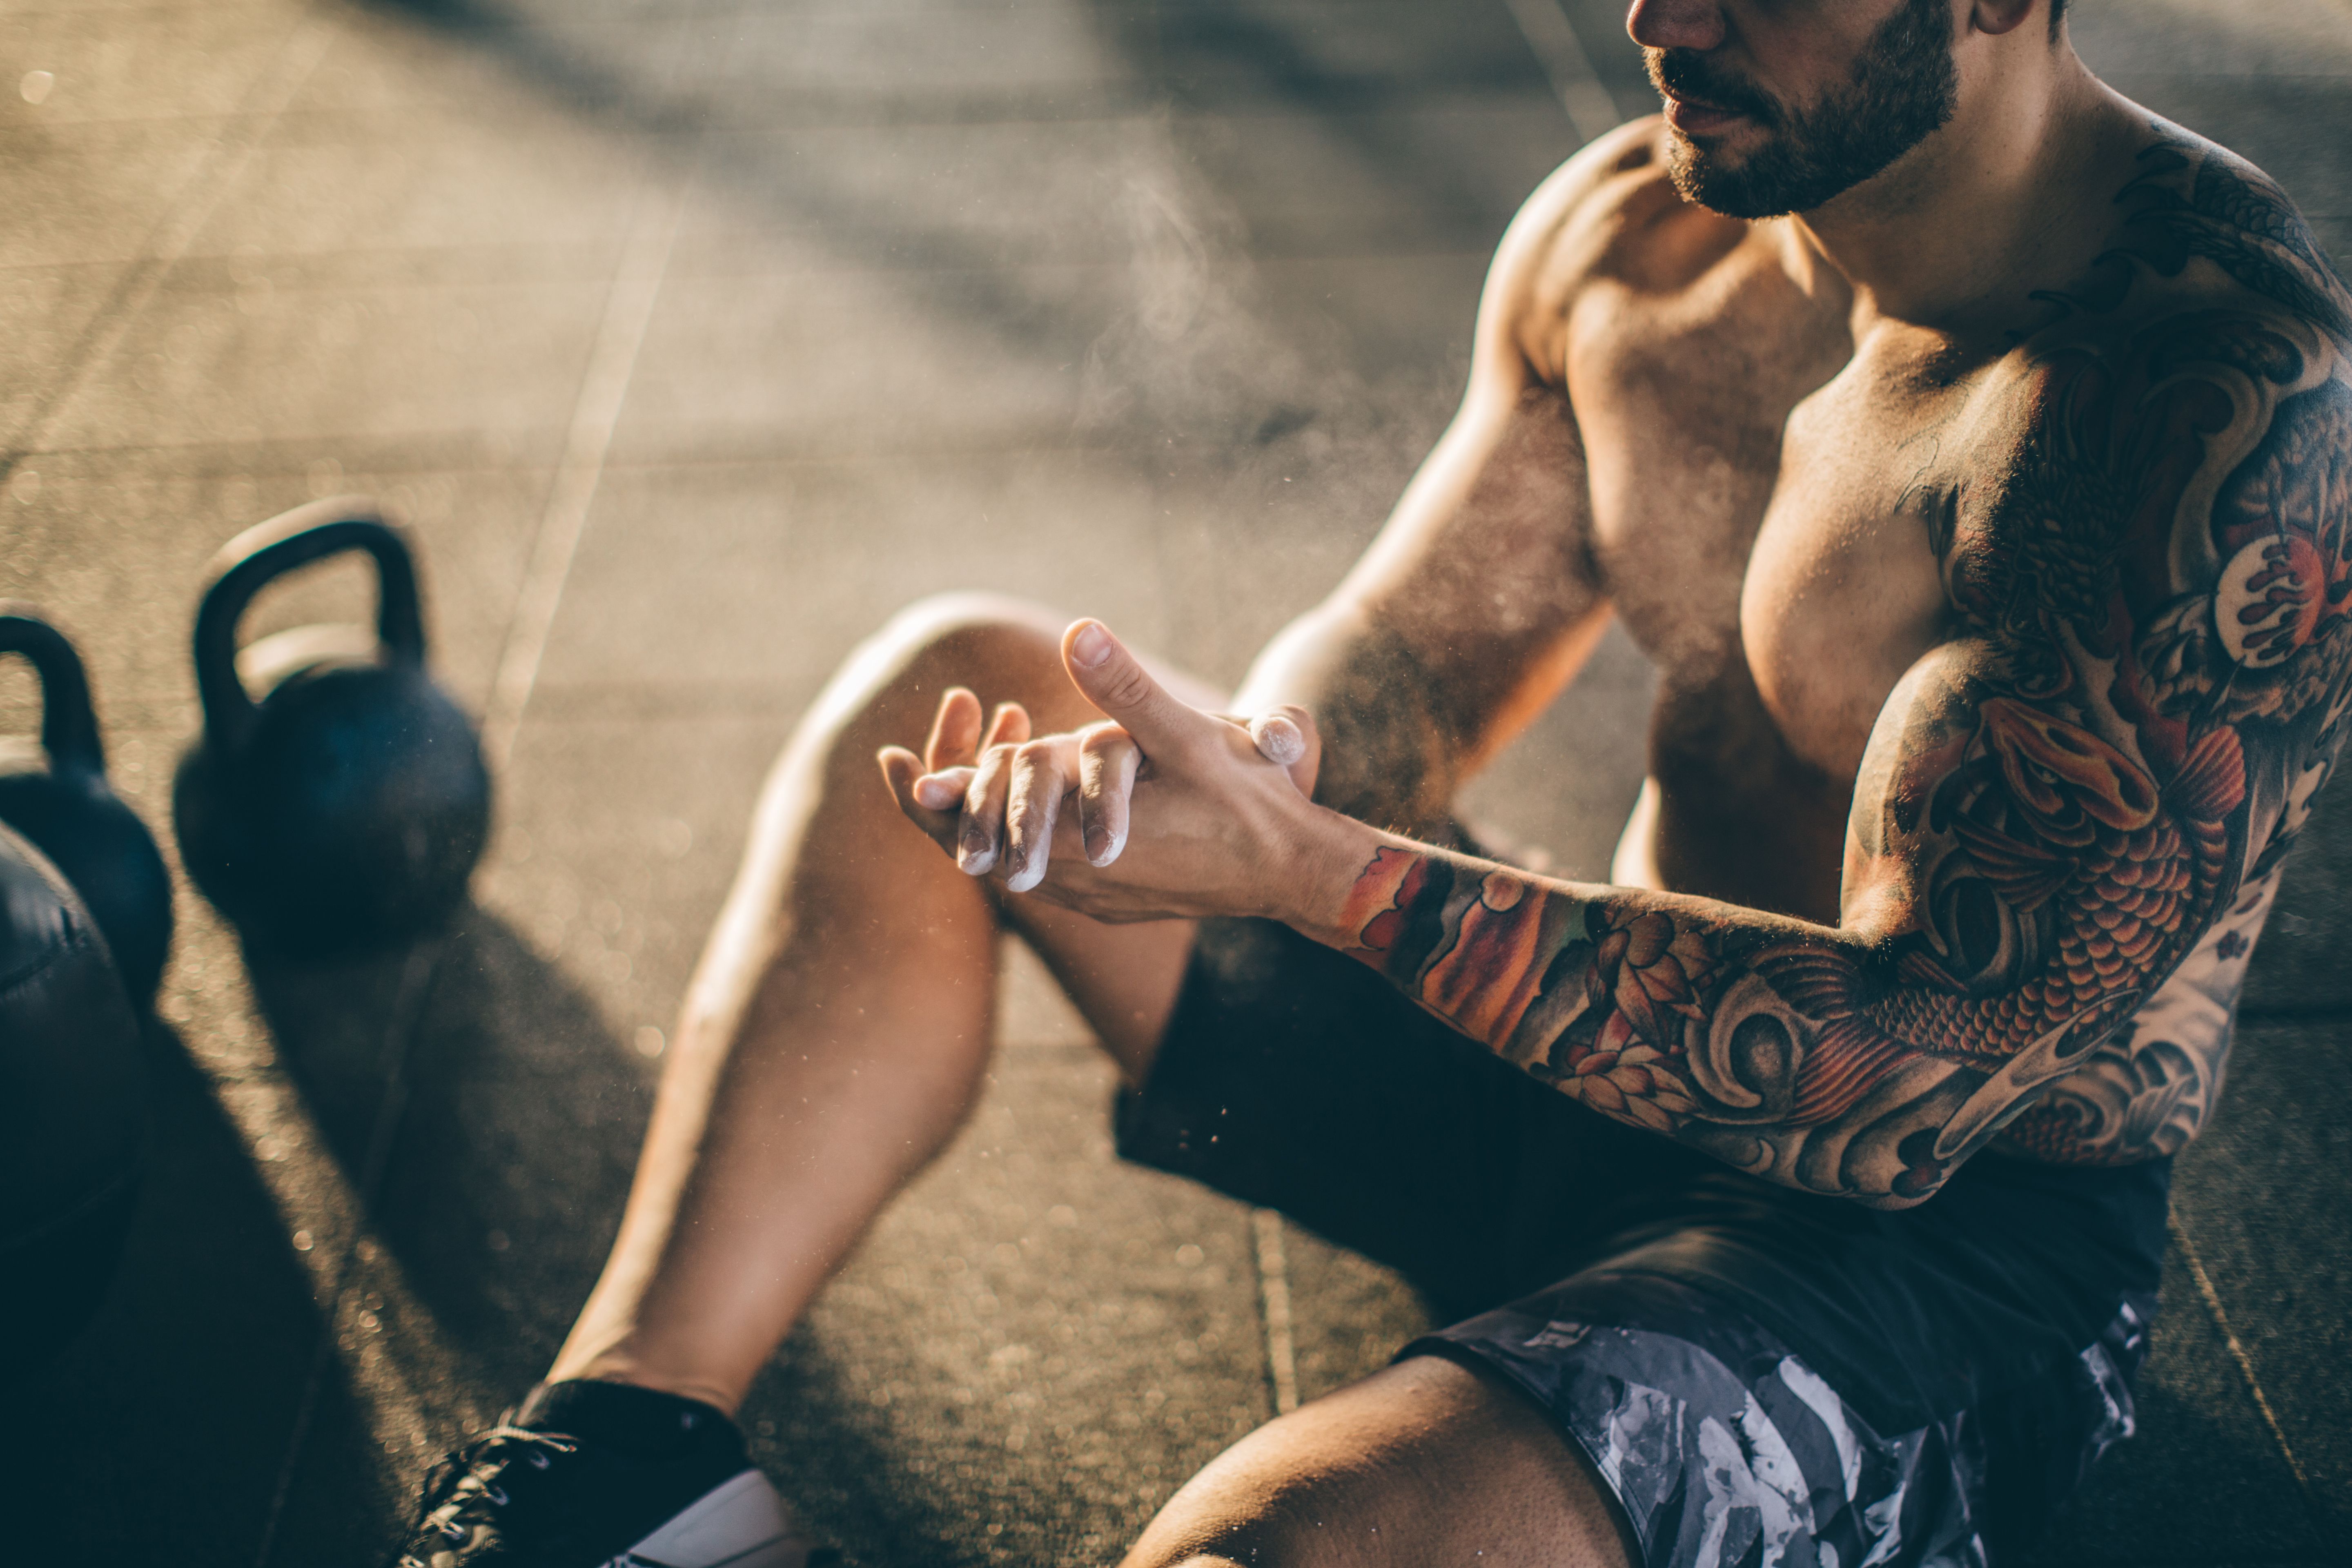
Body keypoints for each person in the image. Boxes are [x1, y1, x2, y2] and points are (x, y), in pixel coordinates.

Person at [390, 0, 2352, 1562]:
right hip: (1568, 1098)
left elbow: (1918, 1073)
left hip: (1919, 1266)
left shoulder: (2201, 404)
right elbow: (1407, 662)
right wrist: (1252, 773)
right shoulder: (1647, 242)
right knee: (956, 684)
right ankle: (631, 1451)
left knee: (1262, 1554)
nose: (1665, 17)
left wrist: (1309, 873)